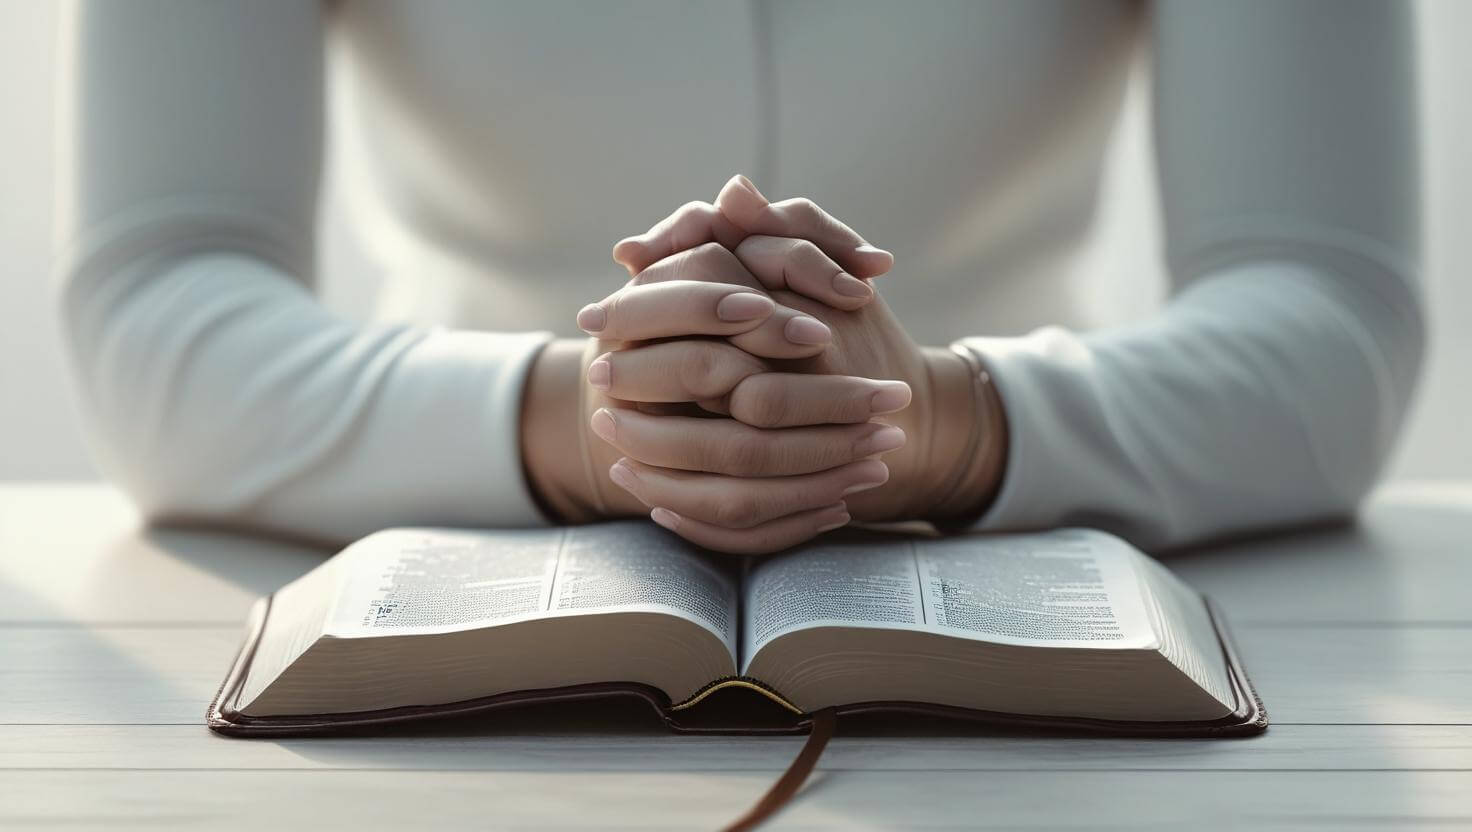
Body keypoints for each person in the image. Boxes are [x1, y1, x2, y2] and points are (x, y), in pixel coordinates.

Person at [57, 1, 1421, 555]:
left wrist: (949, 423)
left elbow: (1324, 303)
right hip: (458, 559)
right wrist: (586, 427)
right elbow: (159, 299)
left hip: (1034, 561)